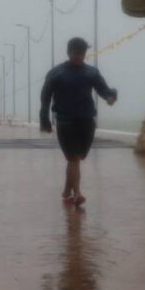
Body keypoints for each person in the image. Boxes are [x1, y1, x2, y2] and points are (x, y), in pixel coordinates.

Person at [40, 37, 117, 206]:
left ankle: (67, 191)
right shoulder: (56, 73)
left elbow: (103, 90)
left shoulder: (92, 72)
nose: (79, 57)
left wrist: (111, 96)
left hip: (86, 120)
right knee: (73, 158)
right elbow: (45, 97)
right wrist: (44, 119)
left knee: (76, 158)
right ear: (69, 53)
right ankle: (77, 194)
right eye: (76, 54)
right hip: (65, 120)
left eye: (82, 54)